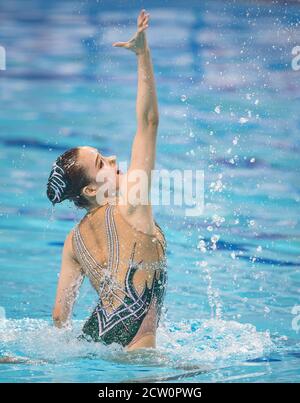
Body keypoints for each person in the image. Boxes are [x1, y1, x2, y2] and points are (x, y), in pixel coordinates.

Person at [46, 10, 167, 351]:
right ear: (90, 190)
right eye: (102, 163)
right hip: (136, 350)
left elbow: (59, 317)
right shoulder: (131, 201)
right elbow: (149, 123)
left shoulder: (74, 241)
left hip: (95, 337)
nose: (114, 160)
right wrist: (143, 54)